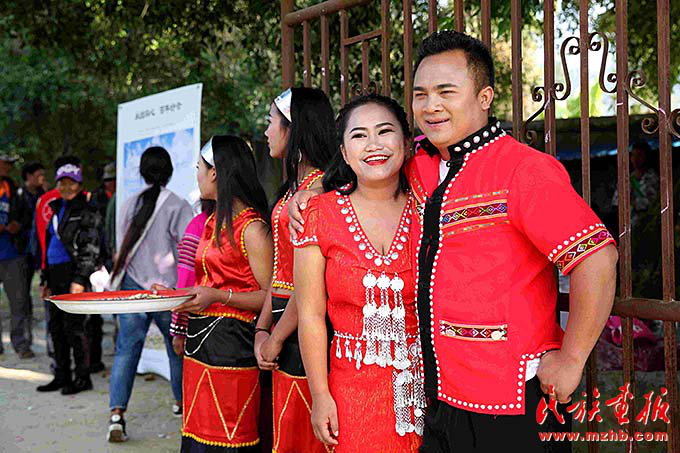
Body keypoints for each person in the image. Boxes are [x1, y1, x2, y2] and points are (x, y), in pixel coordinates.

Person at [291, 31, 619, 452]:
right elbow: (371, 165)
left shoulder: (524, 170)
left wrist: (571, 359)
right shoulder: (423, 167)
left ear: (484, 97)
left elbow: (597, 258)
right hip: (439, 402)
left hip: (513, 400)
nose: (431, 105)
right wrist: (314, 190)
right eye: (421, 95)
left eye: (446, 92)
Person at [294, 94, 424, 452]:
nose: (373, 145)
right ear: (344, 151)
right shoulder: (318, 213)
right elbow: (310, 315)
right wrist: (320, 394)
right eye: (359, 135)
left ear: (407, 143)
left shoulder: (429, 209)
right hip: (350, 393)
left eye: (385, 131)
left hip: (426, 388)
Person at [155, 135, 272, 452]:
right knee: (198, 435)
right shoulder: (211, 223)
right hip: (201, 345)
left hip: (233, 347)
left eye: (199, 168)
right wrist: (172, 295)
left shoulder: (252, 229)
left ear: (215, 173)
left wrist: (220, 298)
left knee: (228, 438)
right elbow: (207, 286)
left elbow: (271, 296)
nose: (197, 175)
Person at [254, 86, 336, 453]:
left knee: (303, 436)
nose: (266, 131)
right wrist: (262, 329)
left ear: (294, 128)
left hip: (303, 327)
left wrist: (275, 337)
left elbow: (310, 285)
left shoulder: (319, 192)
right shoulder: (294, 189)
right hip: (283, 324)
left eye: (271, 122)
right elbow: (280, 269)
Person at [107, 146, 193, 442]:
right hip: (167, 292)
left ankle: (116, 415)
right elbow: (187, 252)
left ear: (142, 172)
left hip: (132, 287)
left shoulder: (129, 204)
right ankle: (182, 408)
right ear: (169, 171)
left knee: (126, 351)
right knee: (177, 349)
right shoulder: (178, 205)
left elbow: (121, 247)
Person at [36, 156, 101, 394]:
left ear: (79, 184)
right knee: (56, 327)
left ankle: (82, 377)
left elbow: (90, 247)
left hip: (74, 274)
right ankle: (62, 375)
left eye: (71, 182)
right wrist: (45, 279)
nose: (66, 187)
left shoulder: (88, 209)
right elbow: (49, 245)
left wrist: (80, 279)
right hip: (54, 274)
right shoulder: (56, 208)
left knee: (75, 328)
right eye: (62, 183)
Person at [0, 153, 34, 358]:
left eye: (10, 164)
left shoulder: (14, 189)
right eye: (5, 163)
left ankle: (21, 344)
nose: (8, 168)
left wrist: (18, 225)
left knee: (19, 302)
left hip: (12, 253)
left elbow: (27, 216)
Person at [87, 161, 116, 374]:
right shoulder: (96, 199)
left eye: (112, 180)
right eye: (107, 180)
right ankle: (93, 358)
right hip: (100, 260)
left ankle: (117, 345)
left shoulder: (126, 196)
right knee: (94, 312)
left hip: (118, 259)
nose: (110, 183)